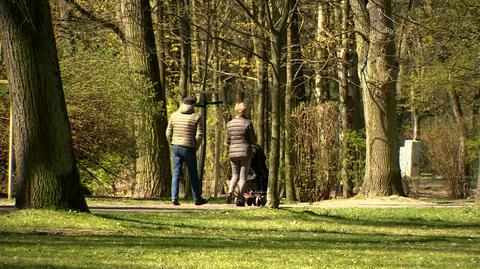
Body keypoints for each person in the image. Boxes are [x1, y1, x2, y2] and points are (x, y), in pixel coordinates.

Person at [166, 96, 209, 206]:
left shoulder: (174, 115)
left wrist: (172, 142)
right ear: (193, 105)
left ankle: (174, 198)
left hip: (176, 146)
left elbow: (168, 133)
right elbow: (200, 135)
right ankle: (197, 199)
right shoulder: (196, 117)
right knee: (193, 174)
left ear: (183, 104)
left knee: (176, 172)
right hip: (189, 148)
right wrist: (196, 146)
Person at [226, 102, 257, 206]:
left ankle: (230, 192)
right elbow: (253, 140)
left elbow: (227, 140)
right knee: (243, 177)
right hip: (245, 152)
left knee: (235, 175)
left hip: (233, 153)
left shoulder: (229, 124)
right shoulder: (247, 123)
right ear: (244, 112)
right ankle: (240, 198)